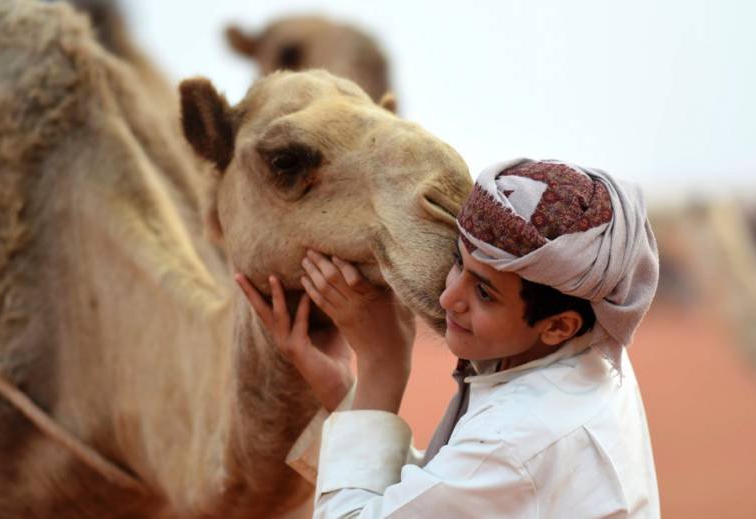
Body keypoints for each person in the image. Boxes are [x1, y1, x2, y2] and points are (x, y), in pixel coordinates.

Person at [236, 158, 660, 518]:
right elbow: (447, 492)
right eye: (459, 262)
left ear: (558, 326)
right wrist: (344, 393)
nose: (448, 297)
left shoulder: (518, 439)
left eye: (484, 293)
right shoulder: (587, 355)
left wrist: (383, 363)